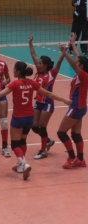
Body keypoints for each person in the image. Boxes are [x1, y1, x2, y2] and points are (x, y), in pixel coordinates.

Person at [0, 61, 71, 180]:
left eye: (14, 70)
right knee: (22, 141)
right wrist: (64, 100)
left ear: (18, 72)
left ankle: (24, 163)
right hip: (29, 118)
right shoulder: (32, 82)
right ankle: (20, 166)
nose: (13, 71)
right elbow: (48, 93)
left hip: (18, 118)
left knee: (15, 145)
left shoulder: (15, 84)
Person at [28, 34, 65, 159]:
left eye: (40, 63)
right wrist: (30, 43)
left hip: (48, 103)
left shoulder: (51, 74)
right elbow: (33, 55)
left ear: (46, 65)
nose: (37, 64)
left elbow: (59, 63)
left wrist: (64, 52)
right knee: (34, 127)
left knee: (42, 127)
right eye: (38, 63)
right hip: (38, 102)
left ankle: (43, 151)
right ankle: (48, 141)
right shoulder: (38, 72)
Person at [58, 33, 88, 169]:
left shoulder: (83, 76)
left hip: (76, 107)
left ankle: (71, 158)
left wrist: (64, 52)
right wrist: (73, 43)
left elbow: (73, 62)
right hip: (80, 107)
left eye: (78, 64)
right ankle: (80, 159)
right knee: (75, 133)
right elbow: (77, 58)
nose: (76, 63)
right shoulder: (82, 73)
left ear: (81, 66)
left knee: (61, 132)